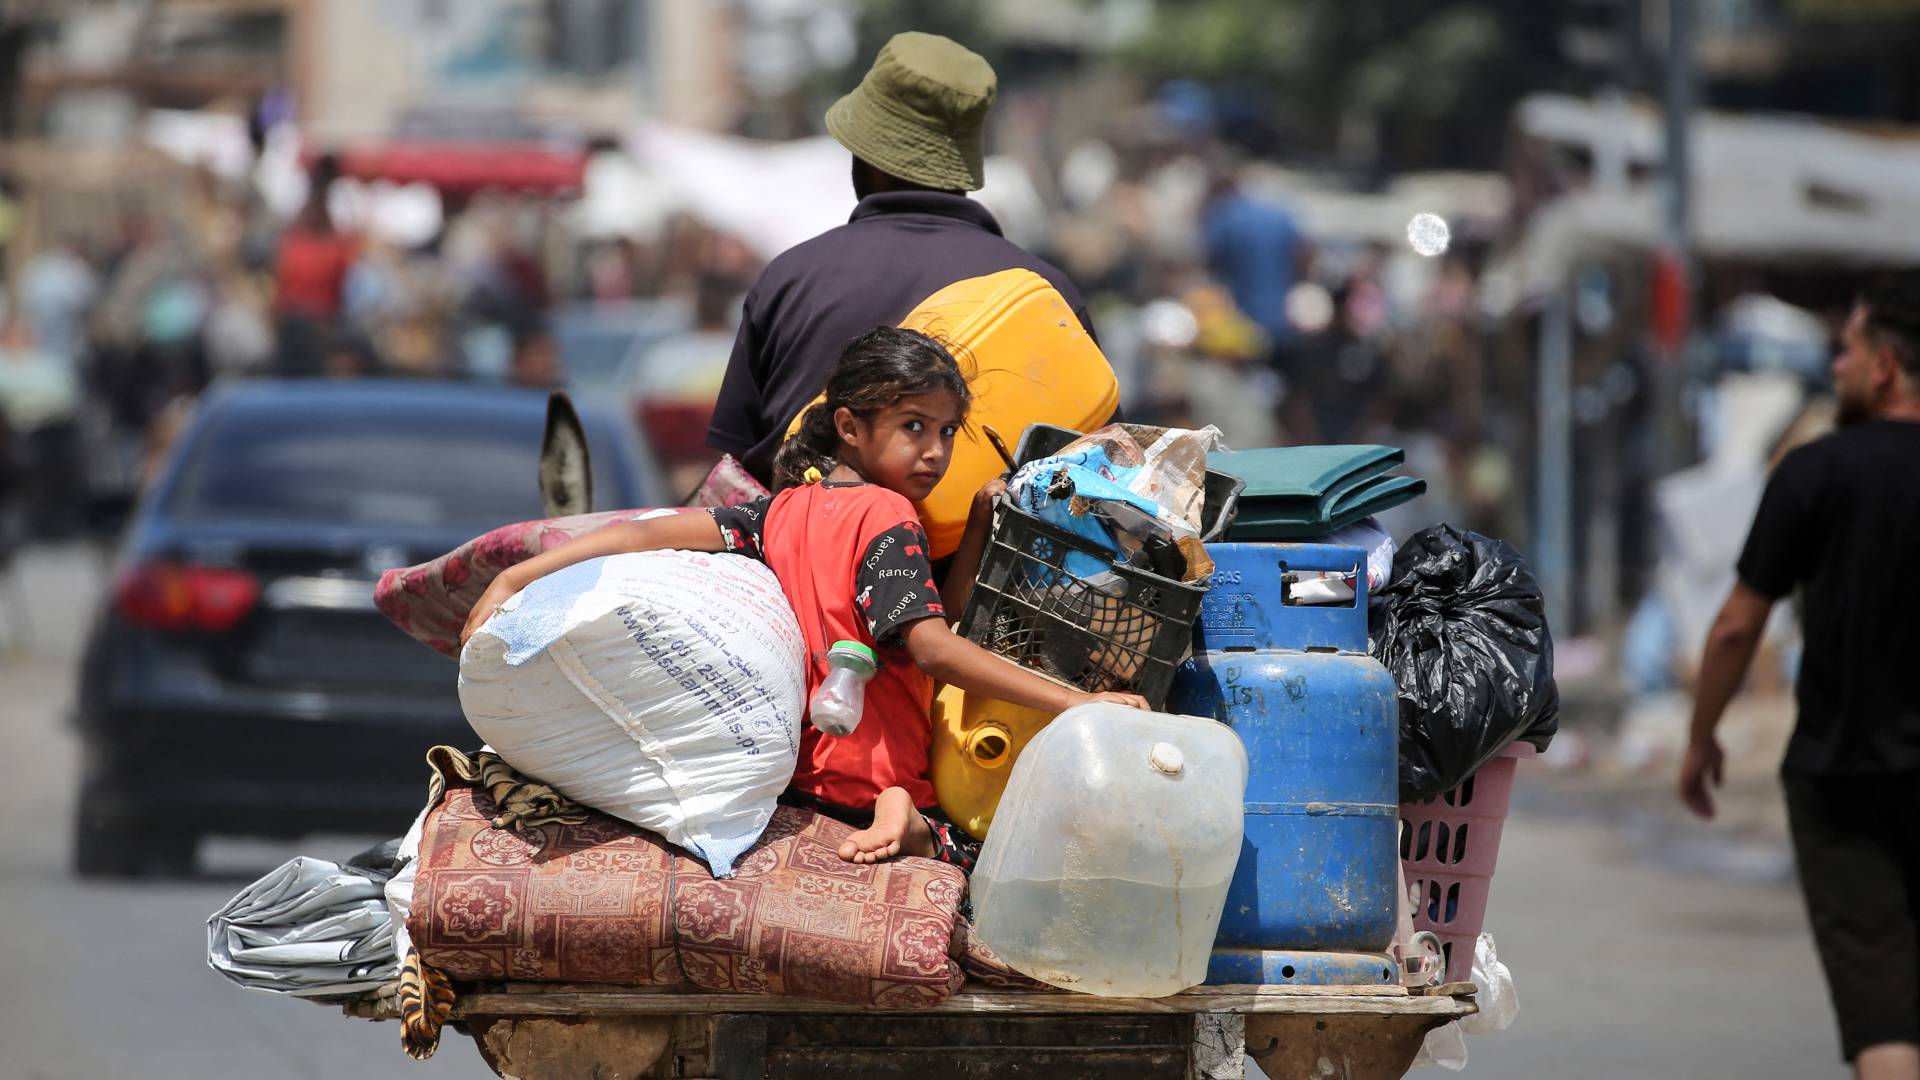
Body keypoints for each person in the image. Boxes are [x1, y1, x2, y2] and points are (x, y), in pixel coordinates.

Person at [467, 326, 1145, 868]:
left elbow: (639, 536)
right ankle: (907, 821)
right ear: (850, 427)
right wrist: (1081, 705)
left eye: (945, 432)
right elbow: (933, 646)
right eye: (914, 426)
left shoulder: (779, 512)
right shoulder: (887, 516)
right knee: (992, 858)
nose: (935, 451)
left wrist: (515, 577)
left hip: (797, 779)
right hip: (879, 773)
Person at [1679, 274, 1920, 1080]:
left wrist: (1702, 737)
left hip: (1843, 776)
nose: (1836, 367)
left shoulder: (1816, 472)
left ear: (1885, 365)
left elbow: (1739, 623)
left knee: (1884, 1015)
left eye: (1846, 350)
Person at [707, 31, 1097, 489]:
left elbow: (736, 477)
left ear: (866, 157)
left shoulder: (790, 280)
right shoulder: (1048, 296)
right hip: (982, 560)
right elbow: (1094, 480)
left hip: (799, 557)